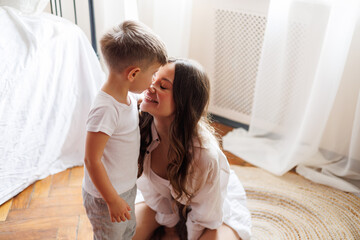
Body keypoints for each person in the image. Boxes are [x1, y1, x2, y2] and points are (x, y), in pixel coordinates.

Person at [134, 59, 252, 240]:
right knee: (123, 235)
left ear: (183, 104)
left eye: (163, 87)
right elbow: (148, 187)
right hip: (161, 200)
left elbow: (207, 215)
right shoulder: (138, 124)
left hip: (211, 207)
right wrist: (170, 229)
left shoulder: (204, 155)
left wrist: (190, 236)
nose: (151, 87)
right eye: (154, 78)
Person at [82, 20, 167, 240]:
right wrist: (112, 200)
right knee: (110, 236)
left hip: (126, 188)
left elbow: (131, 108)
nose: (153, 81)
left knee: (127, 232)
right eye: (153, 74)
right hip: (106, 196)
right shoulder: (105, 110)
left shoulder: (127, 96)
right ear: (133, 74)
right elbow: (92, 160)